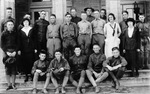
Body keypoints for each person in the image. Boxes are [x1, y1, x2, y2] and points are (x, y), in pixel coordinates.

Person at [1, 20, 18, 90]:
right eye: (9, 25)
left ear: (13, 26)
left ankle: (13, 84)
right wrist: (6, 51)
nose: (10, 26)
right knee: (7, 69)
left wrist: (15, 51)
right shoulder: (4, 34)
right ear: (6, 26)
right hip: (6, 52)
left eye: (11, 24)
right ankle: (9, 85)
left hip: (14, 52)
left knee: (14, 69)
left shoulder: (15, 33)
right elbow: (1, 44)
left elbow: (18, 43)